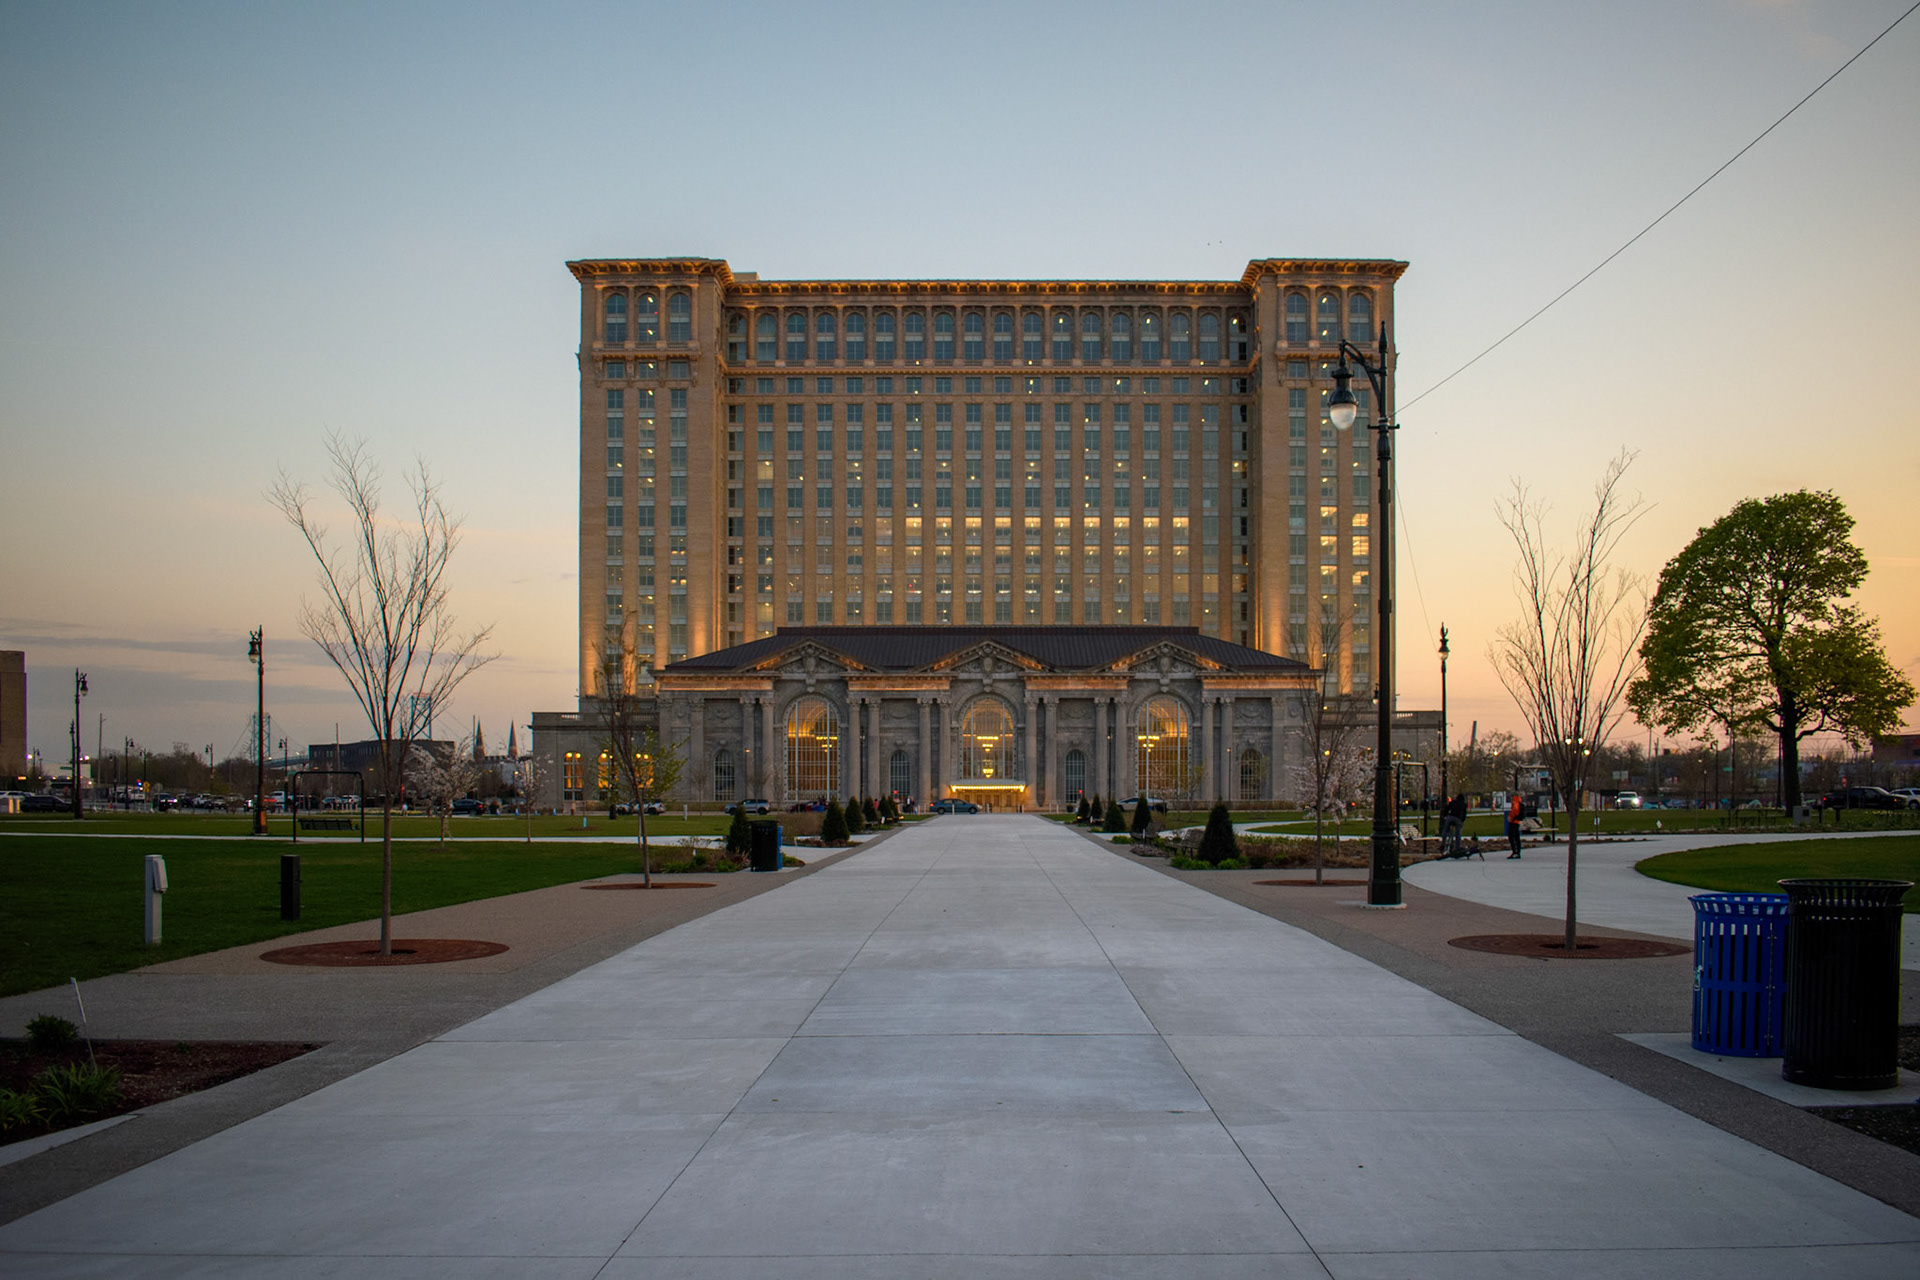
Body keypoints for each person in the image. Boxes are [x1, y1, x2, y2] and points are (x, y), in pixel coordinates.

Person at [1439, 792, 1467, 857]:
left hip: (1450, 817)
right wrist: (1462, 821)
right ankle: (1457, 847)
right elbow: (1464, 814)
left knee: (1445, 830)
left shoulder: (1452, 802)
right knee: (1458, 834)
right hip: (1458, 819)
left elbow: (1447, 809)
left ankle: (1443, 843)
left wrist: (1445, 815)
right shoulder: (1463, 804)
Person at [1505, 792, 1524, 859]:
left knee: (1512, 837)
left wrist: (1511, 817)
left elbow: (1514, 810)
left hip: (1513, 821)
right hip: (1517, 821)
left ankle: (1514, 851)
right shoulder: (1519, 801)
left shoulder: (1515, 802)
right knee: (1516, 837)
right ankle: (1518, 852)